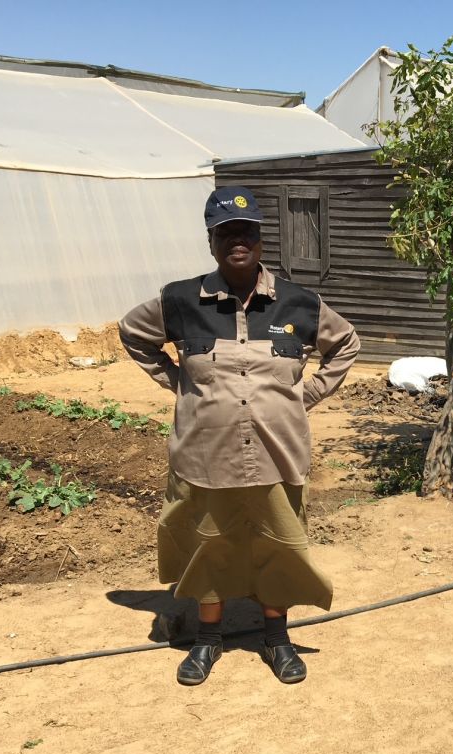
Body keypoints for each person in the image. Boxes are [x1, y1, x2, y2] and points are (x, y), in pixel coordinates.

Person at [119, 187, 360, 686]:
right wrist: (179, 383)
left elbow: (346, 344)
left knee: (280, 544)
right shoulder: (180, 300)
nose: (237, 241)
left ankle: (276, 637)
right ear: (211, 242)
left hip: (278, 452)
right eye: (225, 232)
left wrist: (306, 395)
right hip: (205, 455)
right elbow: (132, 333)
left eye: (246, 232)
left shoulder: (299, 303)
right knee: (209, 544)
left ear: (260, 240)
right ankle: (208, 639)